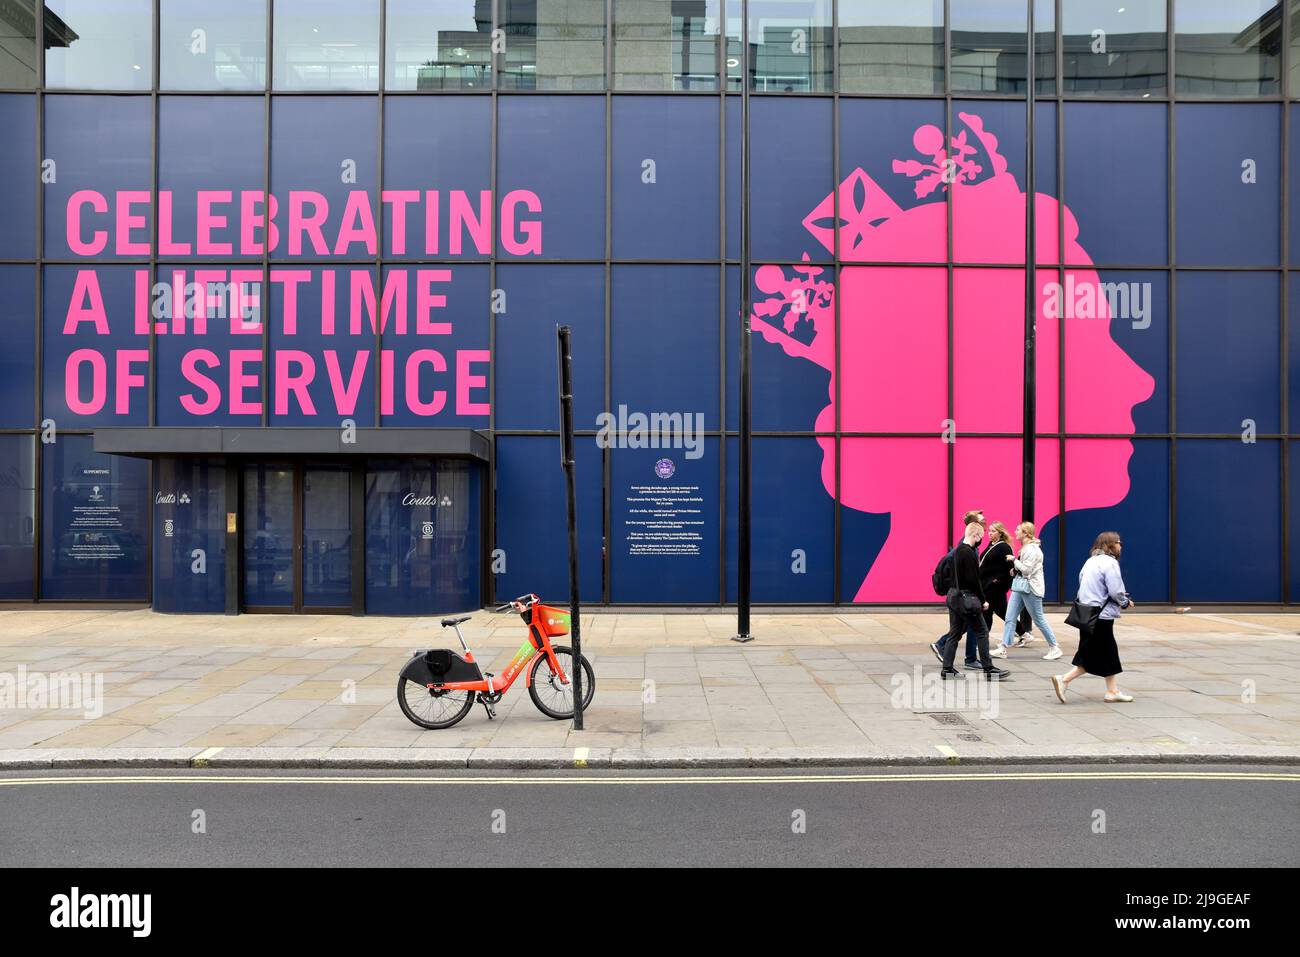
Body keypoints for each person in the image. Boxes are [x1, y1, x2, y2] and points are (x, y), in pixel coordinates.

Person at [1050, 532, 1134, 703]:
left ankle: (1112, 691)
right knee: (1093, 654)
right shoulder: (1110, 563)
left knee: (1106, 652)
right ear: (1111, 544)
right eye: (1119, 542)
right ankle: (1064, 679)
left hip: (1087, 614)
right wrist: (1125, 602)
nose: (1121, 546)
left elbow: (1082, 584)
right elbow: (1115, 591)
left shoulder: (1090, 561)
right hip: (1101, 615)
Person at [940, 521, 1010, 681]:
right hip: (967, 600)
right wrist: (983, 600)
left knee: (954, 634)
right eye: (981, 536)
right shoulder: (969, 553)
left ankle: (947, 669)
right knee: (982, 632)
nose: (981, 540)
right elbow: (974, 581)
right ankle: (989, 669)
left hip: (953, 597)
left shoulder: (957, 550)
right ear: (975, 535)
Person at [992, 522, 1062, 660]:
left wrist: (1013, 560)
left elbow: (1027, 570)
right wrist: (1015, 570)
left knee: (1038, 619)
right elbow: (1024, 569)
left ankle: (1054, 647)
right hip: (1020, 586)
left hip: (1030, 588)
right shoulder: (1025, 548)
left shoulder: (1031, 549)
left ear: (1025, 533)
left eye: (1018, 529)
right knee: (1010, 617)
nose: (1015, 531)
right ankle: (1004, 647)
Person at [930, 509, 986, 670]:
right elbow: (949, 560)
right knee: (973, 627)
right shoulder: (967, 545)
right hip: (964, 594)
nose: (984, 523)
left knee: (963, 626)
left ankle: (960, 657)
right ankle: (968, 658)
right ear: (973, 525)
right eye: (981, 521)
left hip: (961, 593)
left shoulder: (973, 543)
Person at [979, 521, 1032, 646]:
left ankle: (982, 641)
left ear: (1000, 533)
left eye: (993, 531)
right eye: (989, 531)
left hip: (995, 587)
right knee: (1002, 611)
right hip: (987, 585)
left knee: (987, 613)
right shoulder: (992, 544)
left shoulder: (1004, 547)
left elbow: (1009, 569)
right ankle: (1023, 633)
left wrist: (997, 581)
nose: (990, 533)